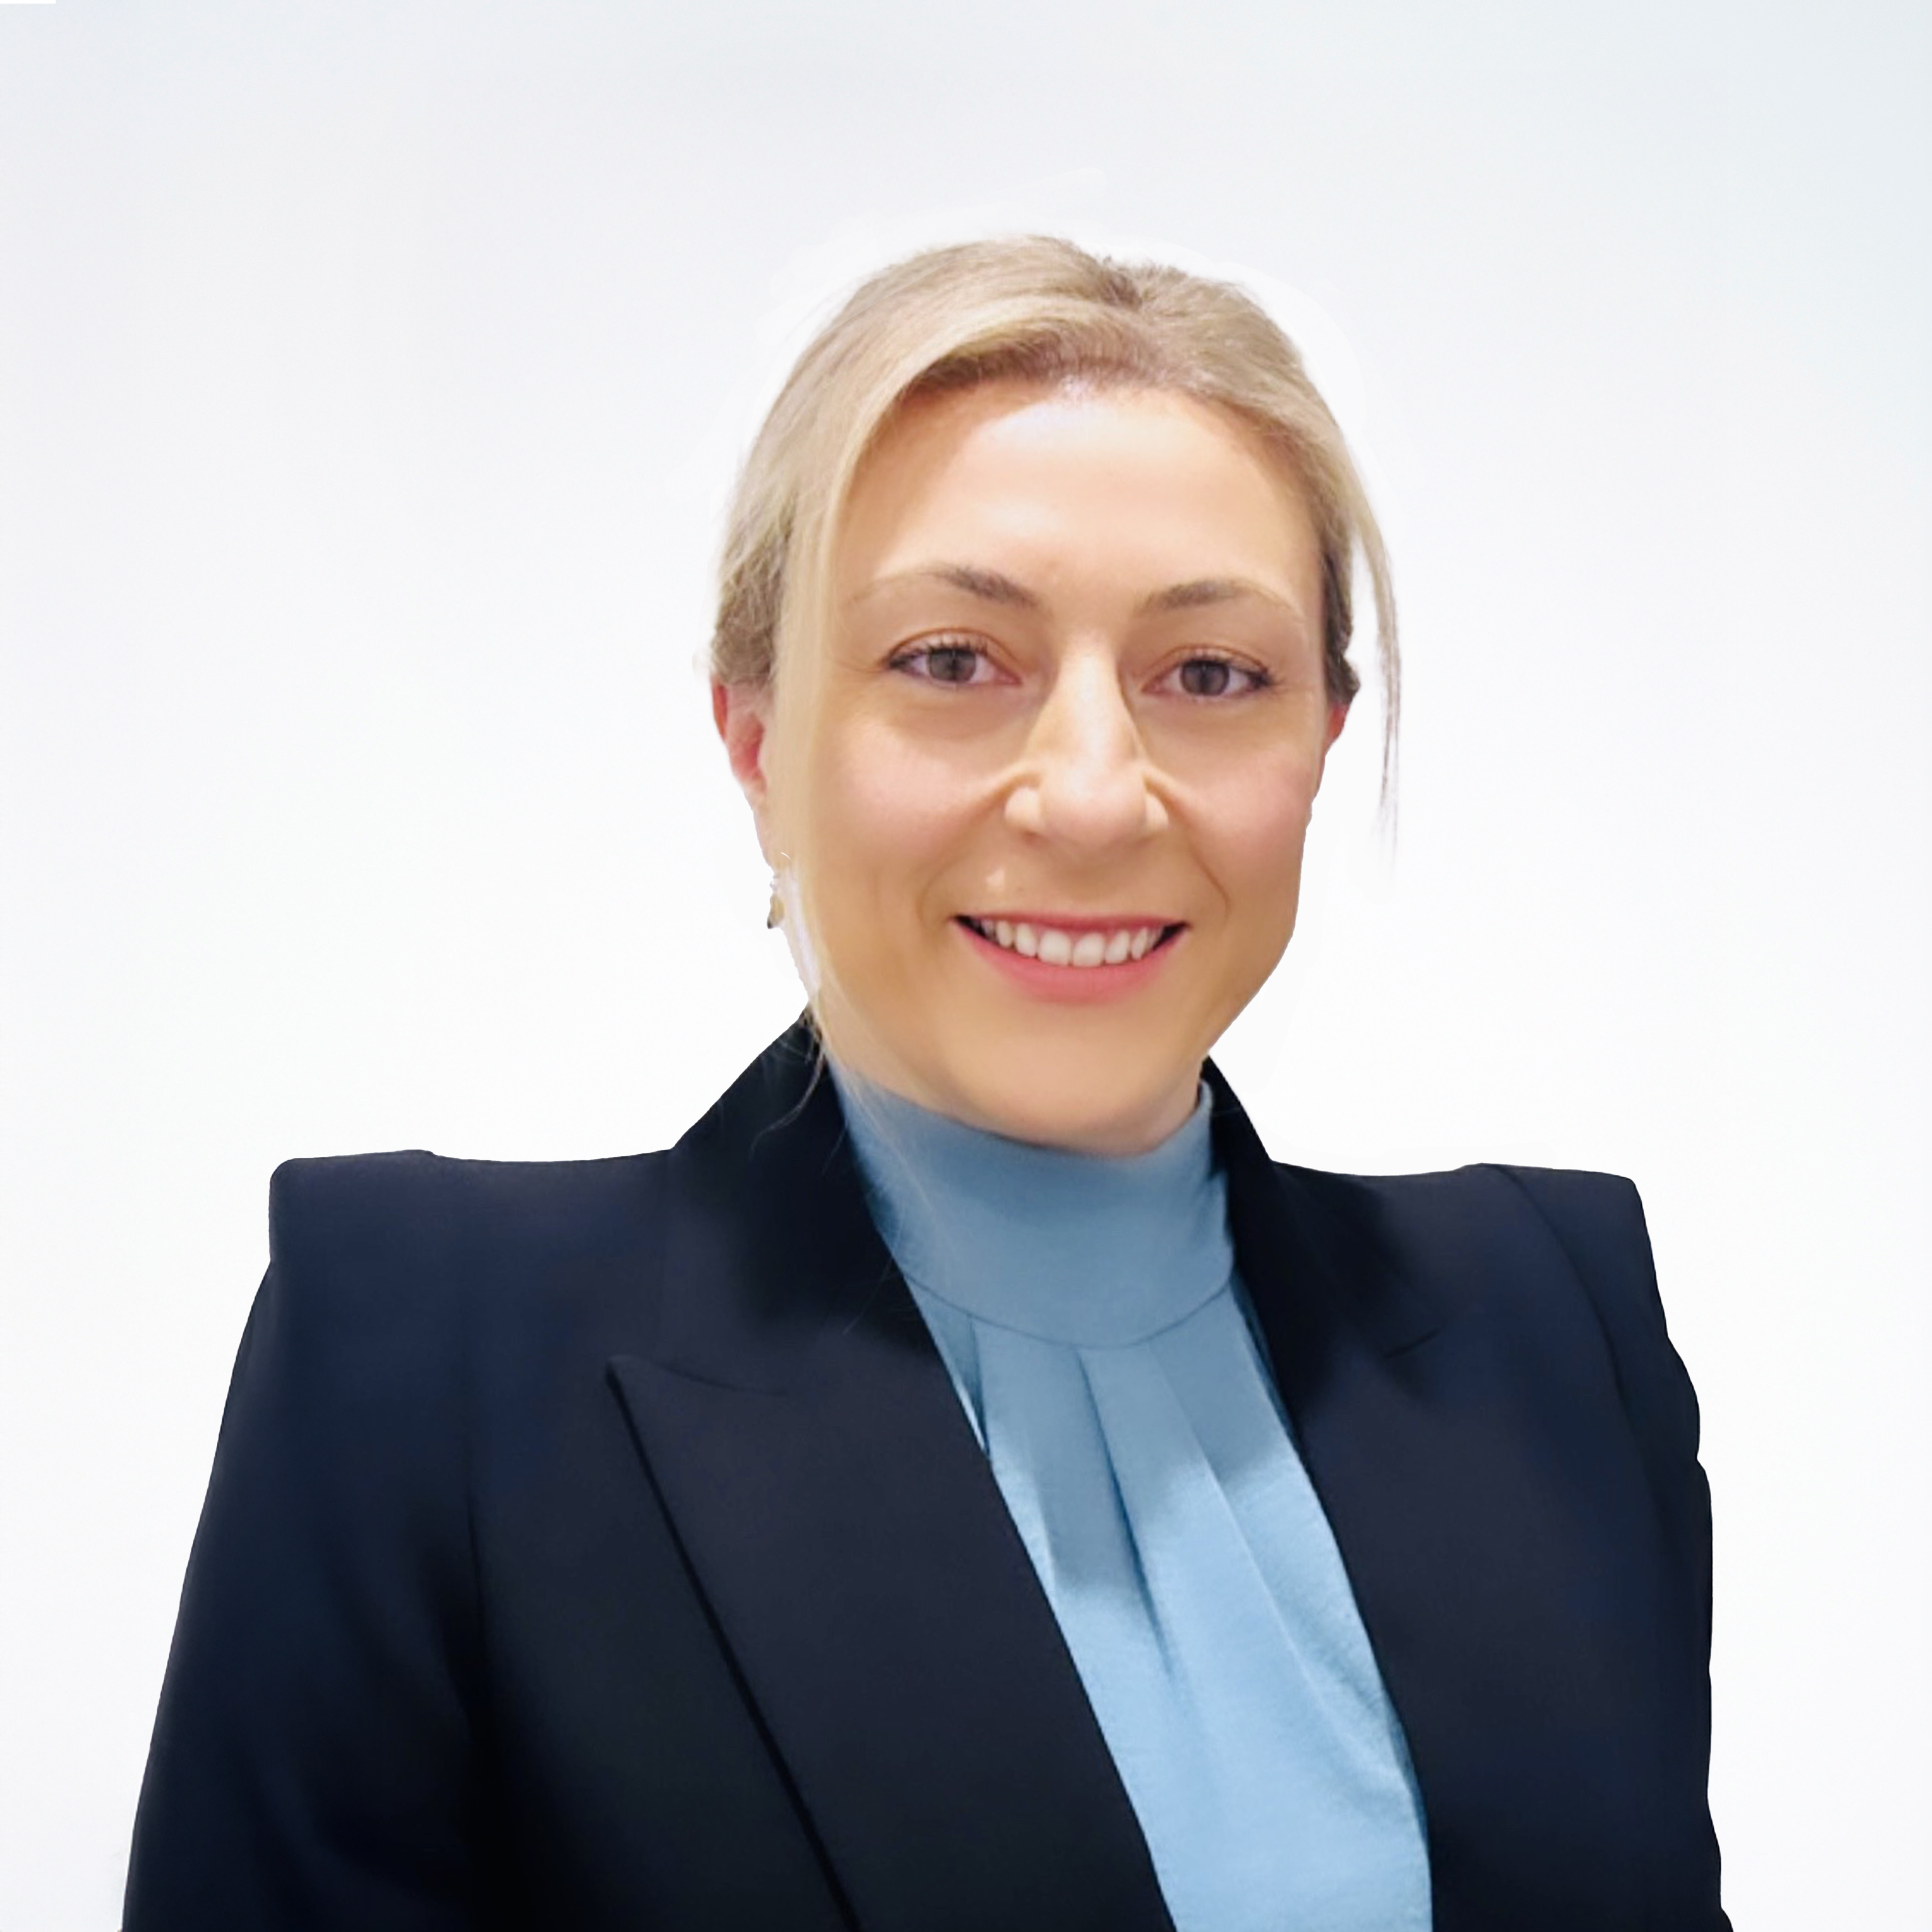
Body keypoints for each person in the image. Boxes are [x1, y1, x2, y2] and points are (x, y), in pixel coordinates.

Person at [122, 237, 1727, 1931]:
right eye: (953, 661)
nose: (1096, 797)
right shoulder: (425, 1352)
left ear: (1320, 739)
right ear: (756, 737)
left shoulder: (1556, 1323)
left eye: (1210, 675)